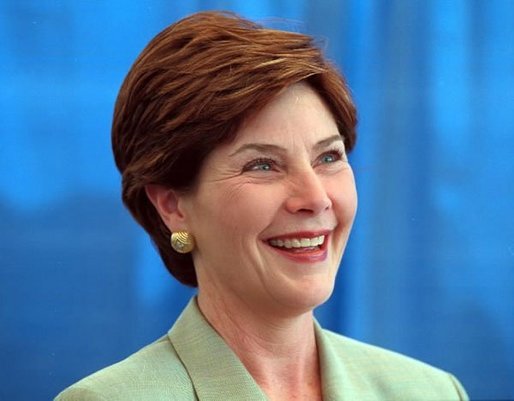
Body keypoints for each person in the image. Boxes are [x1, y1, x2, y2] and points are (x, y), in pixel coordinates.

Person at [55, 11, 469, 401]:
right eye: (263, 165)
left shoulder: (430, 391)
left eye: (328, 157)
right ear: (172, 206)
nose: (316, 198)